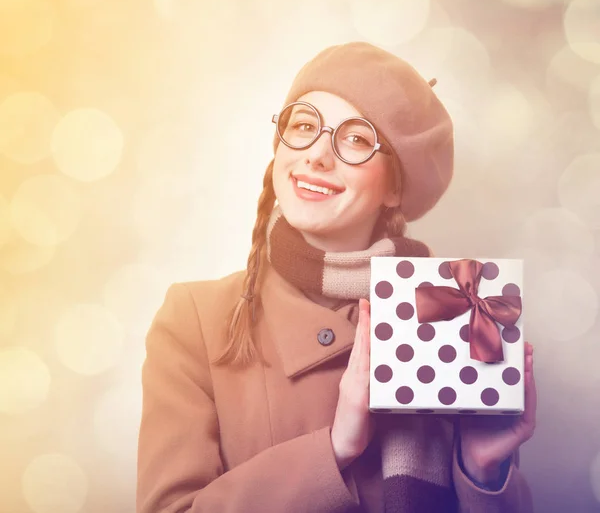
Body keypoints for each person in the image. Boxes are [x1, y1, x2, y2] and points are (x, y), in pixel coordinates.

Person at [136, 42, 536, 513]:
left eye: (356, 139)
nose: (317, 156)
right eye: (304, 126)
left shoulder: (455, 314)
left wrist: (483, 473)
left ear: (394, 188)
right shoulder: (195, 320)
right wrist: (334, 447)